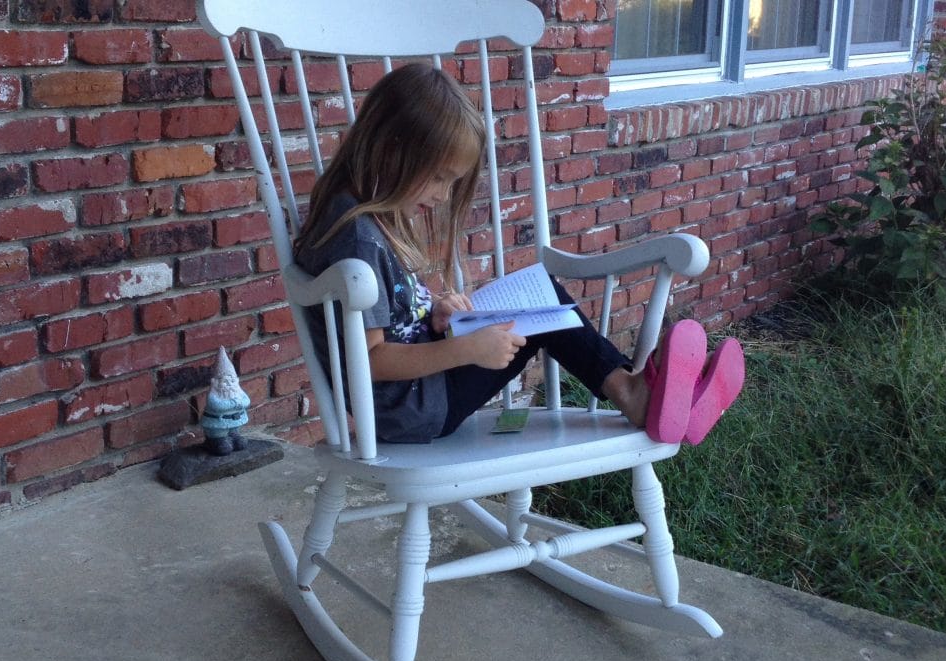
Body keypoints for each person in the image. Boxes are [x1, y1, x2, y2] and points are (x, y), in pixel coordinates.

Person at [294, 63, 742, 444]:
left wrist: (436, 314)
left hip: (421, 388)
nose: (443, 195)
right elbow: (370, 360)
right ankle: (632, 393)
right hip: (416, 408)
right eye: (440, 178)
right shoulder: (358, 238)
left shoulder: (363, 217)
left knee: (542, 298)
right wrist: (467, 349)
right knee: (543, 309)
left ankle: (652, 397)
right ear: (394, 150)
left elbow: (394, 322)